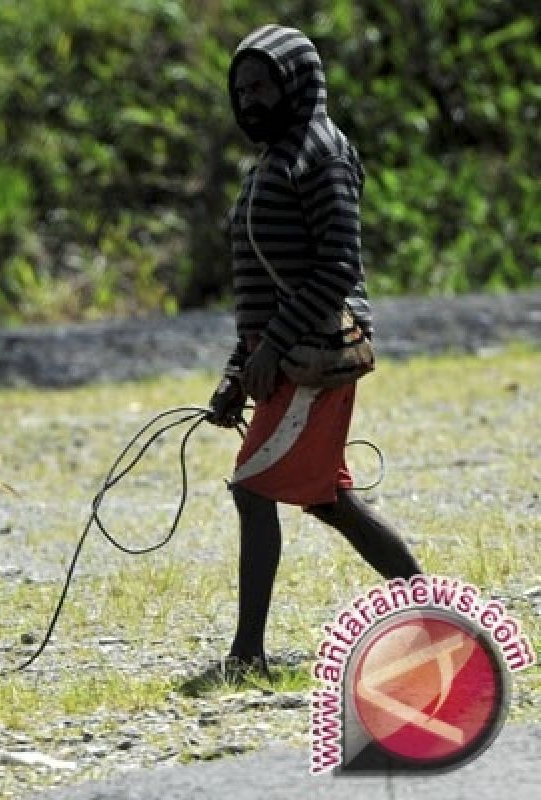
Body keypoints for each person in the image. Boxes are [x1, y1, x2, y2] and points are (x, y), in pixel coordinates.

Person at [201, 24, 423, 682]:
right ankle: (432, 609)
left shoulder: (320, 152)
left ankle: (246, 654)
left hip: (311, 356)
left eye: (264, 83)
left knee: (251, 487)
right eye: (241, 88)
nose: (250, 99)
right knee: (329, 500)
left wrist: (270, 348)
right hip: (280, 355)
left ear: (298, 80)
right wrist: (237, 374)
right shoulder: (274, 157)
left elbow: (336, 268)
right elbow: (262, 286)